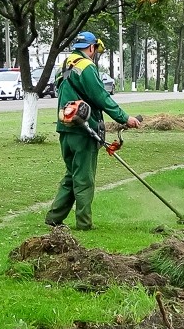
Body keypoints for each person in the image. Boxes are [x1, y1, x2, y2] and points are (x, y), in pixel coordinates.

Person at [45, 32, 139, 231]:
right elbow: (101, 97)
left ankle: (54, 217)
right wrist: (125, 118)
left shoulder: (63, 67)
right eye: (96, 50)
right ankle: (84, 223)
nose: (95, 54)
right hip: (83, 130)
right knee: (84, 178)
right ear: (91, 47)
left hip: (65, 128)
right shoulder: (86, 67)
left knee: (72, 174)